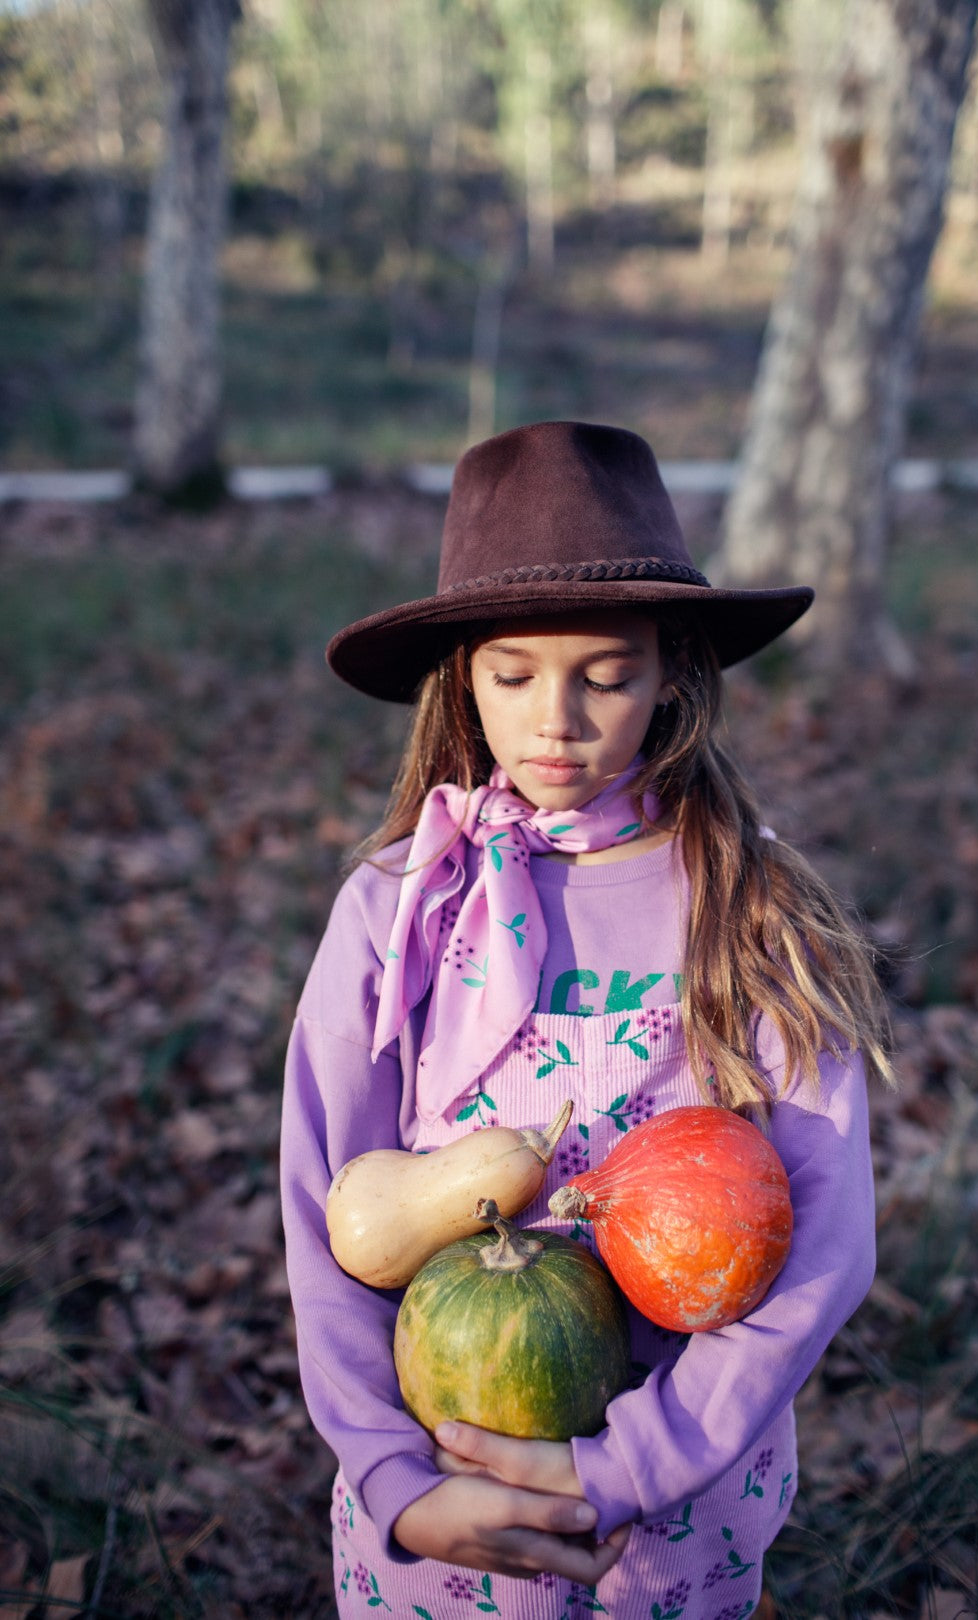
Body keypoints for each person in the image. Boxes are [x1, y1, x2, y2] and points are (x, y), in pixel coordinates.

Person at [280, 420, 892, 1620]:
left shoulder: (748, 904)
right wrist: (398, 1480)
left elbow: (823, 1228)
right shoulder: (398, 909)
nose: (556, 717)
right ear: (462, 674)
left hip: (677, 1498)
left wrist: (631, 1465)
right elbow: (327, 1202)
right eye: (514, 675)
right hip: (450, 1473)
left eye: (606, 674)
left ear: (674, 672)